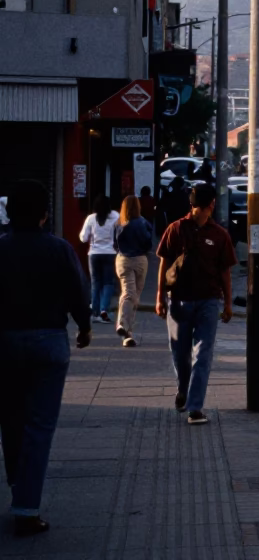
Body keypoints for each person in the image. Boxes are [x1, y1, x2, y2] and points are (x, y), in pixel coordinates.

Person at [0, 181, 91, 538]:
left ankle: (17, 487)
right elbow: (76, 290)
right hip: (50, 343)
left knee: (10, 420)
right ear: (44, 213)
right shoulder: (59, 249)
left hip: (5, 343)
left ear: (8, 213)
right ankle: (26, 506)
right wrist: (84, 326)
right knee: (39, 427)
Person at [155, 183, 236, 425]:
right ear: (210, 204)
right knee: (180, 354)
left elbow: (225, 272)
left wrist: (228, 303)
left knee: (202, 355)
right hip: (178, 301)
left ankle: (195, 407)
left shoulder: (219, 235)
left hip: (208, 302)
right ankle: (184, 389)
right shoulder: (176, 229)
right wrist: (160, 296)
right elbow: (164, 263)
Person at [114, 195, 154, 347]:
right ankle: (123, 325)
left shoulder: (118, 223)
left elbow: (114, 244)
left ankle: (127, 334)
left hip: (122, 259)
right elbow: (148, 242)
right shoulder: (143, 222)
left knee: (128, 293)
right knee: (133, 294)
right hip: (139, 259)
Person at [78, 195, 119, 324]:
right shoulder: (116, 216)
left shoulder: (91, 218)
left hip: (94, 254)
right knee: (108, 283)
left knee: (95, 283)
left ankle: (94, 312)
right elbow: (121, 233)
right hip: (111, 253)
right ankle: (104, 309)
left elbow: (83, 238)